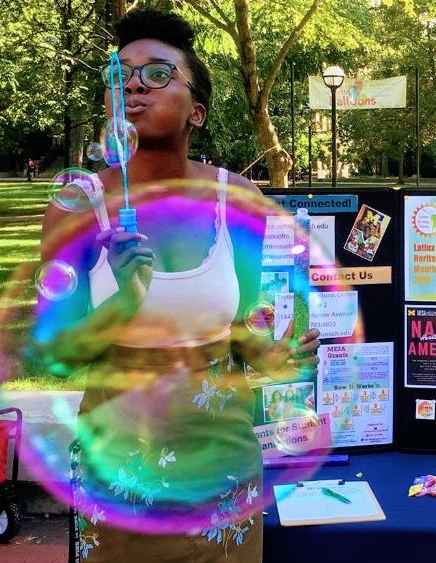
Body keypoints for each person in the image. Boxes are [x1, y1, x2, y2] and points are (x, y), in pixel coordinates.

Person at [37, 9, 319, 561]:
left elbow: (240, 328)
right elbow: (58, 352)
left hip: (220, 459)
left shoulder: (235, 198)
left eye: (158, 73)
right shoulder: (79, 206)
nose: (135, 84)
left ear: (198, 112)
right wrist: (124, 302)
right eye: (120, 75)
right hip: (118, 461)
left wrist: (277, 356)